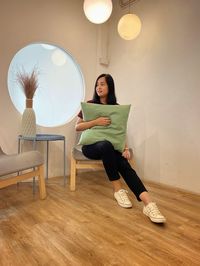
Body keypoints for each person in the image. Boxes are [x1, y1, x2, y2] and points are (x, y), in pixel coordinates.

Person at [76, 73, 166, 223]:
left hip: (109, 148)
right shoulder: (90, 104)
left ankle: (149, 204)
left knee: (123, 164)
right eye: (97, 84)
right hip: (91, 147)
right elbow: (77, 127)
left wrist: (125, 148)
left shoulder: (116, 108)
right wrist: (96, 121)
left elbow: (119, 132)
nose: (99, 87)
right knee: (105, 145)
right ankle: (118, 190)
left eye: (102, 84)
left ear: (110, 87)